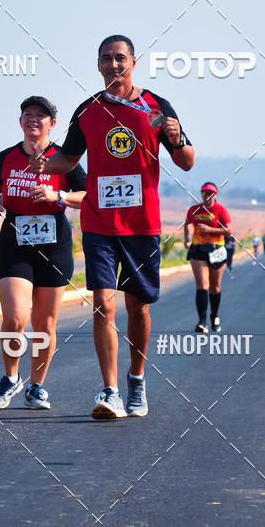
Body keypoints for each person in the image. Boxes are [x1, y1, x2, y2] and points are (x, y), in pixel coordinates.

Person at [30, 34, 194, 420]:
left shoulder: (153, 108)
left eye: (120, 58)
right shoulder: (87, 111)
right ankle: (110, 390)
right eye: (106, 58)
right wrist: (44, 165)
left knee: (137, 308)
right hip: (99, 224)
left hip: (141, 226)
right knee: (103, 305)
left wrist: (175, 137)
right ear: (98, 64)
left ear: (133, 62)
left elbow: (186, 161)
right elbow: (69, 159)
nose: (113, 64)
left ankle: (136, 380)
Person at [0, 96, 86, 410]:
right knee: (15, 317)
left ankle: (37, 386)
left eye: (41, 115)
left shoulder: (64, 159)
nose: (33, 119)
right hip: (15, 240)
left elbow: (86, 195)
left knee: (45, 324)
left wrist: (56, 194)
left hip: (54, 242)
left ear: (52, 124)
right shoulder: (6, 157)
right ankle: (10, 378)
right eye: (27, 114)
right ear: (20, 122)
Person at [184, 183, 232, 332]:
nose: (208, 196)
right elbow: (187, 224)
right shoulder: (194, 209)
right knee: (202, 285)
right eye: (205, 193)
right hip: (198, 249)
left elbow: (229, 230)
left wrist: (210, 229)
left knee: (214, 287)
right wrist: (187, 238)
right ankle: (202, 321)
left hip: (216, 249)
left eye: (211, 194)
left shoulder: (221, 210)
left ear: (215, 195)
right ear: (201, 195)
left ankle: (214, 316)